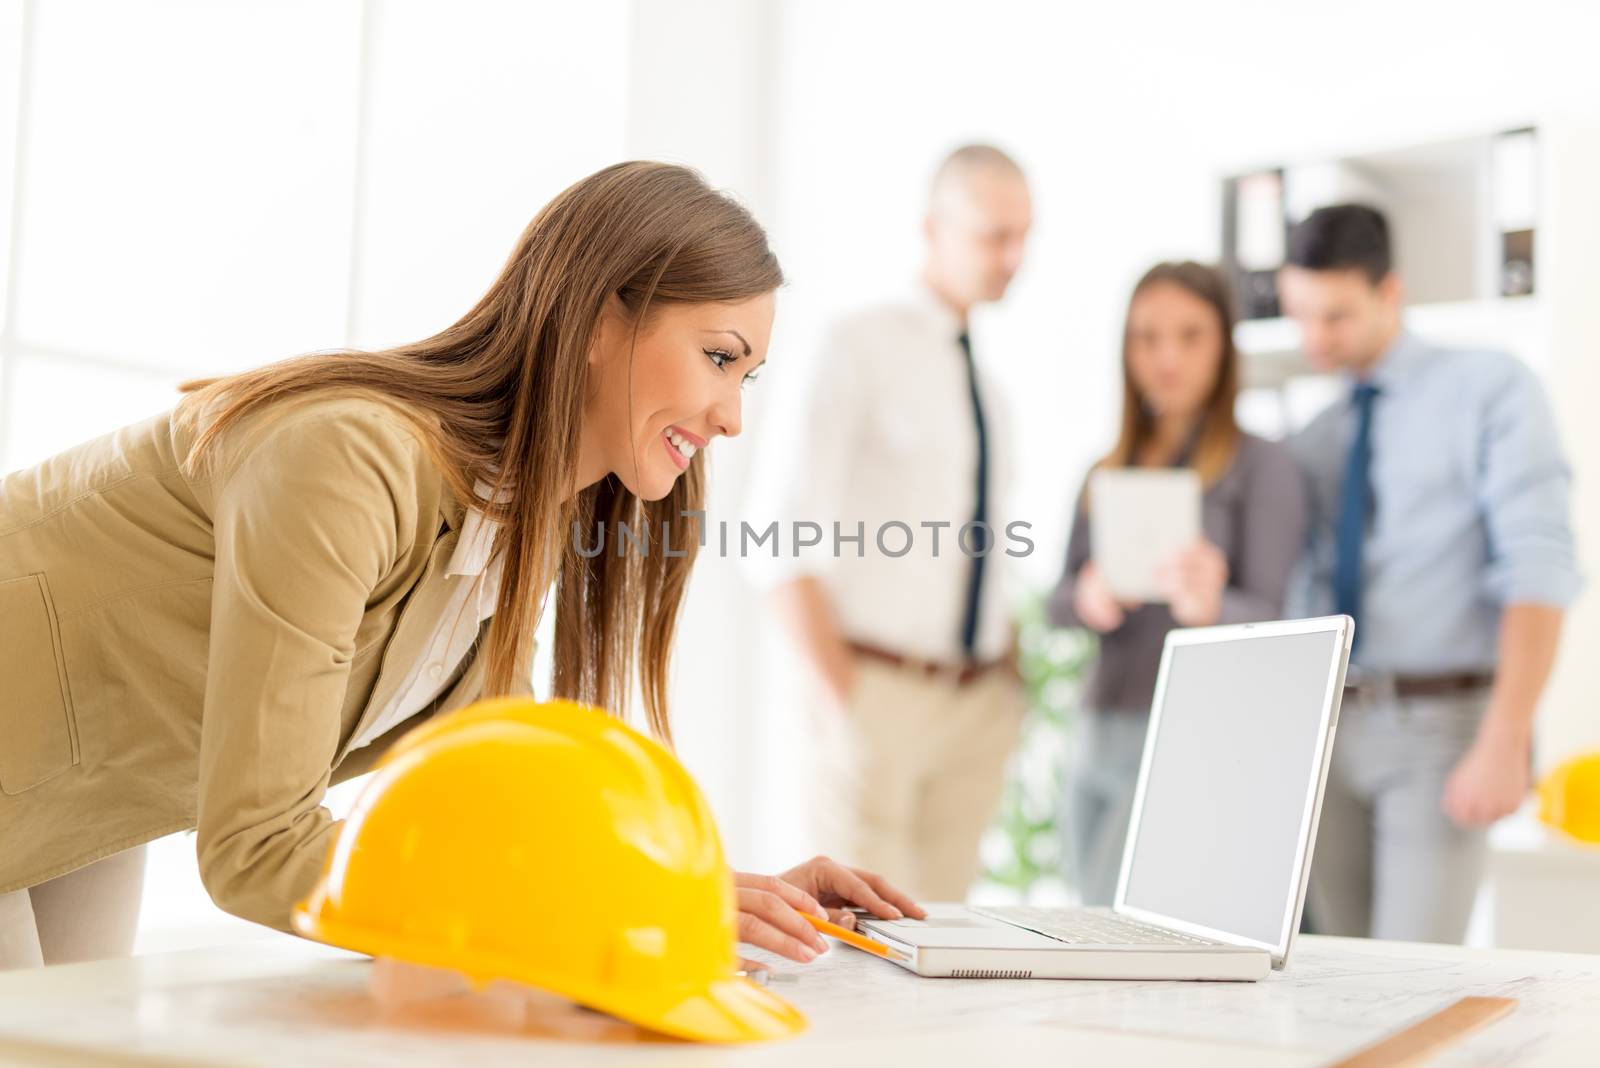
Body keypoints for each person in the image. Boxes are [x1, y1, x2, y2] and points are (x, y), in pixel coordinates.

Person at [0, 161, 923, 970]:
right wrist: (616, 913)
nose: (731, 418)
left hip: (85, 796)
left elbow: (497, 804)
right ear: (601, 318)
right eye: (719, 358)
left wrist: (695, 889)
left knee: (74, 1039)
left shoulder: (516, 530)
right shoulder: (348, 459)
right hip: (35, 752)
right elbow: (256, 848)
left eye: (745, 376)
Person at [1281, 203, 1580, 943]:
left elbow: (1539, 563)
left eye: (1338, 316)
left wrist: (1506, 737)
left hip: (1439, 729)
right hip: (1327, 728)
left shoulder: (1490, 389)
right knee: (1335, 978)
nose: (1316, 339)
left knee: (1409, 982)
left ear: (1392, 292)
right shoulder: (1316, 434)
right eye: (1301, 316)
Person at [746, 145, 1032, 902]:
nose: (1013, 257)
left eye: (1022, 237)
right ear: (933, 227)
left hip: (975, 708)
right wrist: (846, 698)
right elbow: (777, 532)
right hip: (877, 694)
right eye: (993, 235)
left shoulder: (992, 392)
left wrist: (1007, 683)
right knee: (861, 951)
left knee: (946, 947)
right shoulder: (856, 345)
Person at [1048, 261, 1308, 904]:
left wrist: (1215, 605)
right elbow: (1055, 605)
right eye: (1147, 336)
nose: (1167, 356)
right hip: (1100, 725)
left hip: (1187, 732)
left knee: (1119, 926)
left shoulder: (1262, 467)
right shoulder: (1104, 470)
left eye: (1191, 335)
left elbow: (1278, 617)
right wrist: (1089, 598)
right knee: (1088, 915)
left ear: (1224, 344)